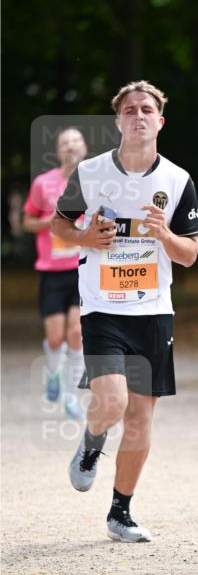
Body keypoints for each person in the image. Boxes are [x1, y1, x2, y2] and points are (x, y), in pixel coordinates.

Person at [52, 81, 198, 542]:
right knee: (112, 402)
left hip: (154, 311)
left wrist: (164, 236)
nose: (139, 116)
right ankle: (92, 443)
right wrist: (84, 238)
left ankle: (121, 512)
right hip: (102, 307)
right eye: (130, 110)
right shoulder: (91, 173)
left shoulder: (177, 181)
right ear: (118, 122)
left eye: (147, 109)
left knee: (139, 418)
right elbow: (60, 226)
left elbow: (190, 254)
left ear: (160, 121)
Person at [23, 127, 88, 418]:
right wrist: (52, 222)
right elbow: (27, 222)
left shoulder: (95, 181)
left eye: (75, 141)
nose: (71, 146)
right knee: (55, 337)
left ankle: (71, 397)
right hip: (51, 271)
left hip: (82, 269)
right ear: (58, 151)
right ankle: (53, 372)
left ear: (84, 147)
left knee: (76, 332)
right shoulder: (43, 184)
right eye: (65, 142)